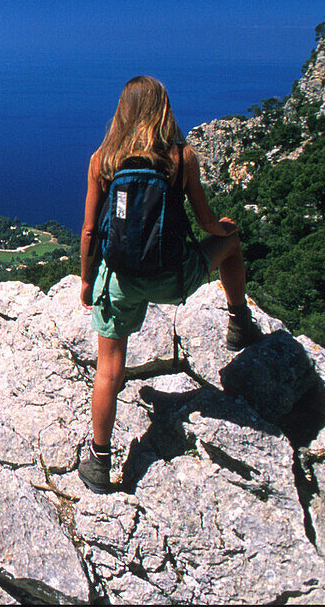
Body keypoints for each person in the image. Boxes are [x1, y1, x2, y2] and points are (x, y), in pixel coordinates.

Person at [77, 75, 263, 494]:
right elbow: (204, 221)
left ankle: (100, 463)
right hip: (174, 277)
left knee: (108, 369)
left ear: (123, 111)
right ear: (163, 109)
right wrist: (224, 228)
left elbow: (90, 232)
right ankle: (239, 322)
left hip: (121, 280)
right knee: (230, 245)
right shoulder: (181, 159)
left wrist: (88, 281)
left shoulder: (102, 160)